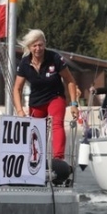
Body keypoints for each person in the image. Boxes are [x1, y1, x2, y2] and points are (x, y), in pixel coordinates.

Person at [12, 29, 79, 160]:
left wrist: (74, 104)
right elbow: (17, 89)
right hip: (36, 100)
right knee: (36, 131)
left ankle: (58, 158)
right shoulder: (24, 63)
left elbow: (70, 80)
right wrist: (20, 111)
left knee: (56, 123)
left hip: (56, 96)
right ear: (30, 47)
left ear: (45, 44)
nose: (38, 48)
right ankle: (36, 159)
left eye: (41, 45)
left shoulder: (55, 58)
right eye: (34, 45)